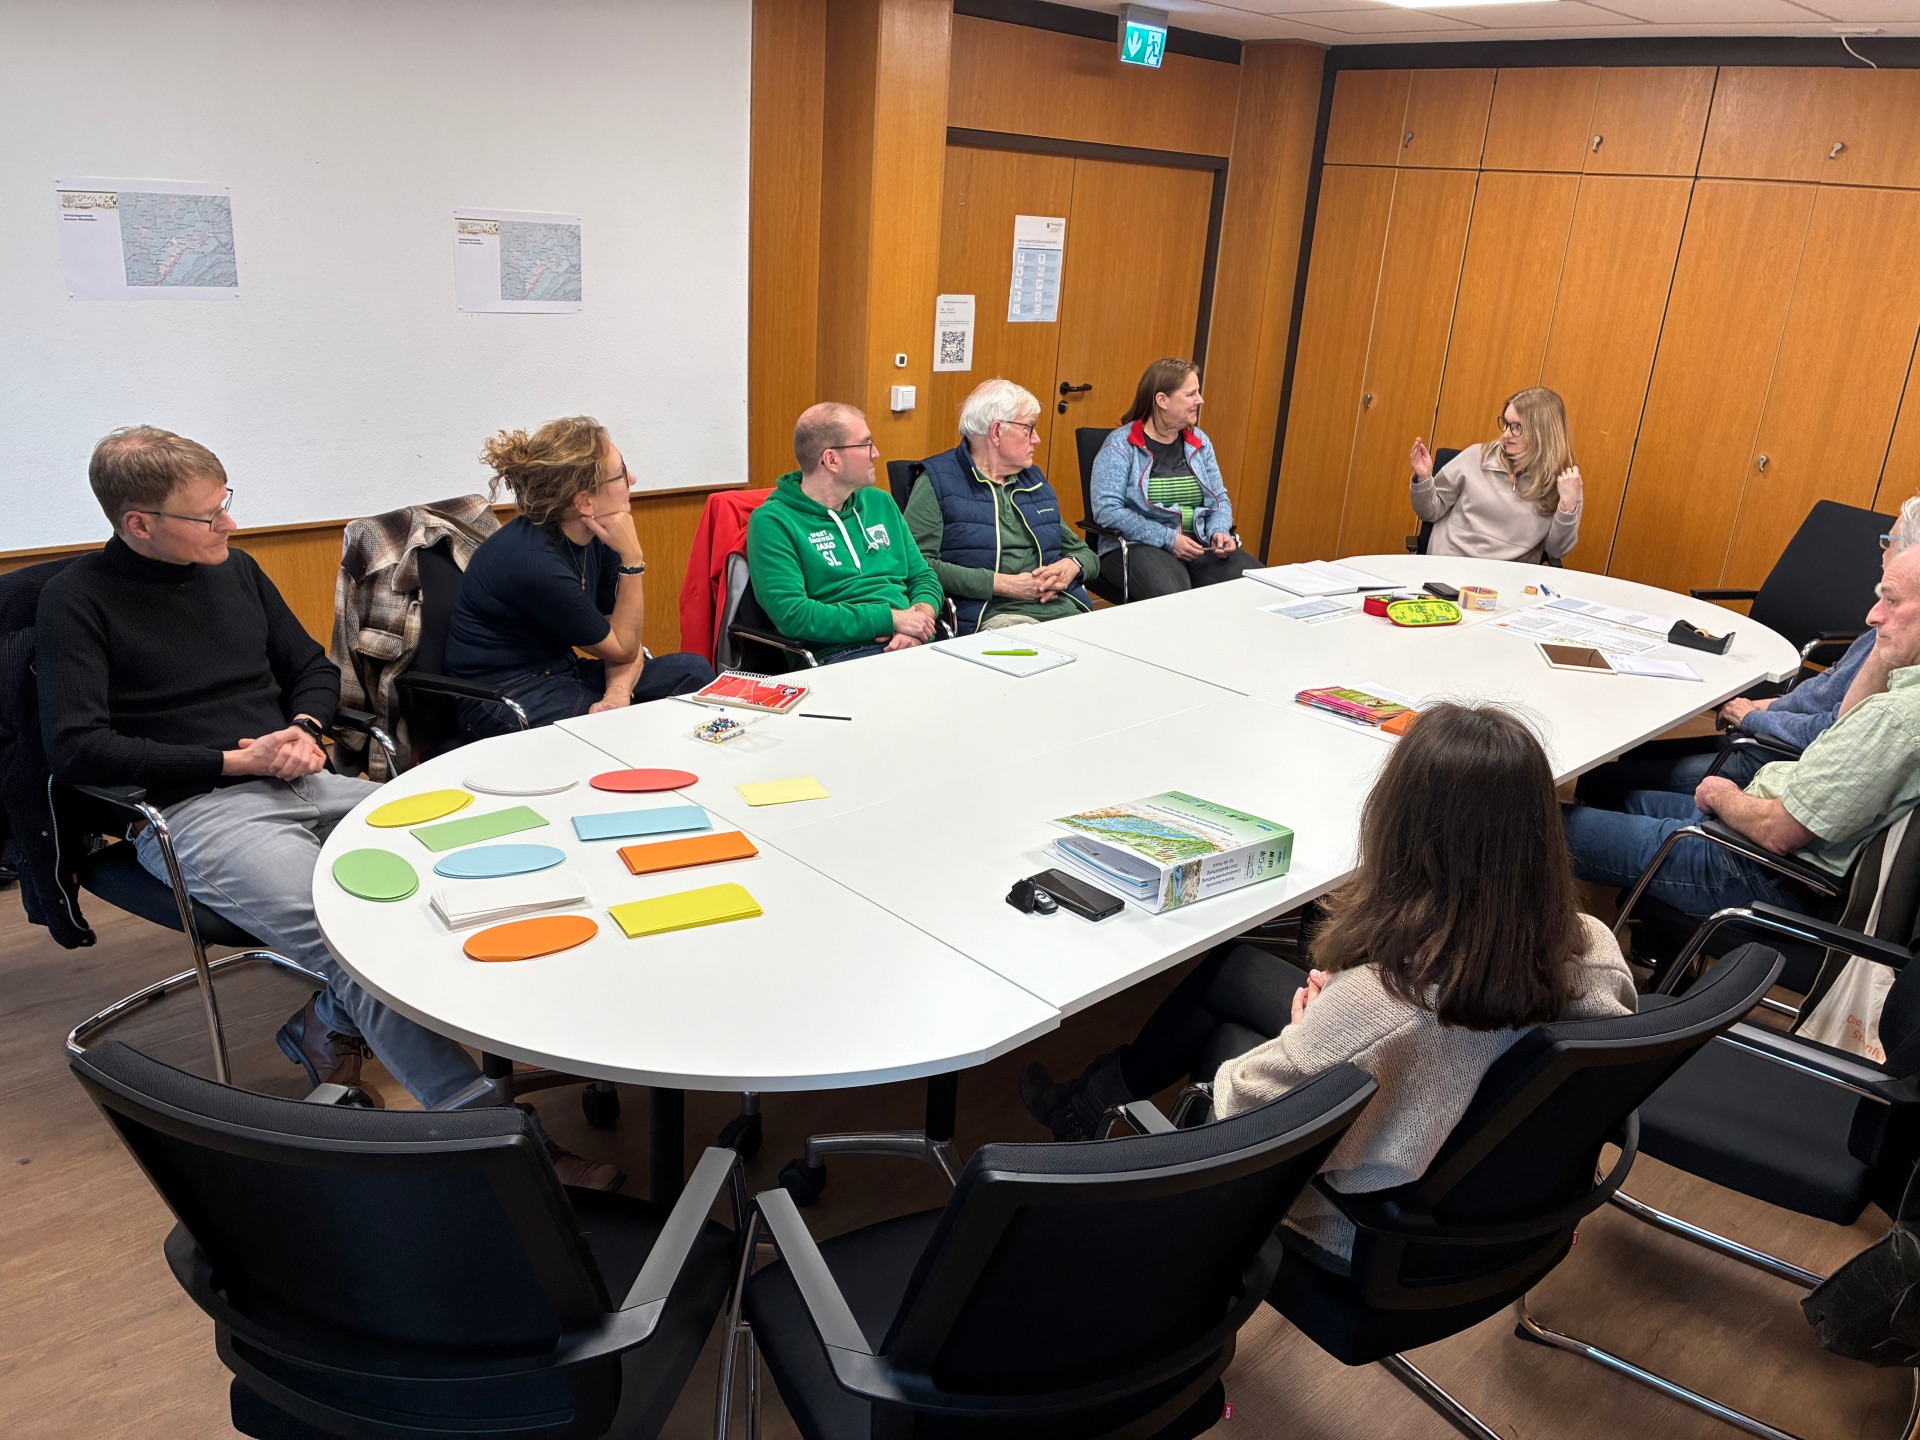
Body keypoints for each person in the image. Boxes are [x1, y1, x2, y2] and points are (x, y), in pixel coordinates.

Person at [1019, 703, 1635, 1264]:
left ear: (1402, 827)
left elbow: (1241, 1107)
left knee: (1228, 1046)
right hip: (1500, 1200)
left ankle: (1160, 1250)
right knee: (1232, 971)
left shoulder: (1385, 1005)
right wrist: (1341, 1009)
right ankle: (1087, 1102)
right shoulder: (1592, 944)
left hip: (1370, 1230)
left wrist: (1314, 1025)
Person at [36, 428, 489, 1113]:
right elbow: (77, 748)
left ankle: (327, 1024)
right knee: (356, 943)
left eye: (226, 502)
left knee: (477, 848)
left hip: (301, 778)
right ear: (139, 524)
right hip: (193, 811)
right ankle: (484, 1127)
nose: (231, 523)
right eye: (208, 515)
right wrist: (232, 760)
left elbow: (311, 669)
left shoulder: (235, 570)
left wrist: (305, 729)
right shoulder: (78, 600)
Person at [1564, 539, 1920, 919]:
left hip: (1755, 867)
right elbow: (1845, 719)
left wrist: (1723, 797)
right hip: (1757, 824)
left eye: (1891, 601)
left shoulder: (1896, 719)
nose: (1872, 616)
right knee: (1618, 798)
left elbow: (1779, 832)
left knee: (1534, 827)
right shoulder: (1900, 694)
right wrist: (1893, 644)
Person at [1577, 497, 1920, 808]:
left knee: (1602, 780)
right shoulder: (1881, 629)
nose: (1880, 549)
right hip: (1769, 733)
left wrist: (1753, 717)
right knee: (1629, 757)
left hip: (1773, 755)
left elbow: (1830, 729)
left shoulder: (1893, 648)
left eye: (1887, 541)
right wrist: (1760, 707)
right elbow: (1819, 696)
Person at [444, 417, 713, 738]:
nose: (633, 479)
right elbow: (624, 649)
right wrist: (633, 560)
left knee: (691, 671)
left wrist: (617, 693)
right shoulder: (533, 560)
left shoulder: (600, 534)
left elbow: (625, 642)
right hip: (503, 697)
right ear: (585, 501)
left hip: (562, 672)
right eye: (622, 473)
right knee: (616, 732)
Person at [745, 402, 944, 663]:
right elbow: (793, 614)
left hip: (916, 642)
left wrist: (919, 620)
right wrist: (892, 619)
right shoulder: (772, 522)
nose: (876, 453)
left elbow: (922, 576)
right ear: (831, 459)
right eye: (866, 444)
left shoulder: (880, 502)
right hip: (841, 653)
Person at [904, 378, 1098, 632]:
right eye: (1028, 428)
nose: (1037, 439)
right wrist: (1003, 584)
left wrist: (1070, 567)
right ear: (996, 432)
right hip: (994, 615)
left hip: (1064, 608)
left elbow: (1086, 554)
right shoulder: (937, 481)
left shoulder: (1033, 480)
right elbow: (918, 564)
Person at [1089, 358, 1257, 601]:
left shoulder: (1199, 442)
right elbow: (1107, 511)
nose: (1200, 400)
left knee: (1258, 588)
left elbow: (1218, 498)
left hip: (1199, 543)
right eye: (1190, 394)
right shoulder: (1121, 446)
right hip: (1138, 546)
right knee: (1174, 598)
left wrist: (1218, 532)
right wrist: (1168, 539)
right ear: (1162, 400)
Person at [1408, 387, 1582, 562]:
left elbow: (1556, 552)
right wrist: (1423, 478)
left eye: (1517, 427)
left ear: (1542, 433)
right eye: (1506, 424)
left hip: (1507, 581)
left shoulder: (1565, 484)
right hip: (1449, 567)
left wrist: (1567, 507)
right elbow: (1429, 511)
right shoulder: (1476, 456)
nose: (1506, 434)